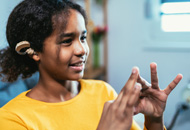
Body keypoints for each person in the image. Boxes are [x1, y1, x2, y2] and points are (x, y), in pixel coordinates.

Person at [0, 0, 183, 130]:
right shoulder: (12, 119)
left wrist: (154, 120)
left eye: (83, 37)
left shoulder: (103, 92)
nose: (82, 50)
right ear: (34, 51)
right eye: (66, 41)